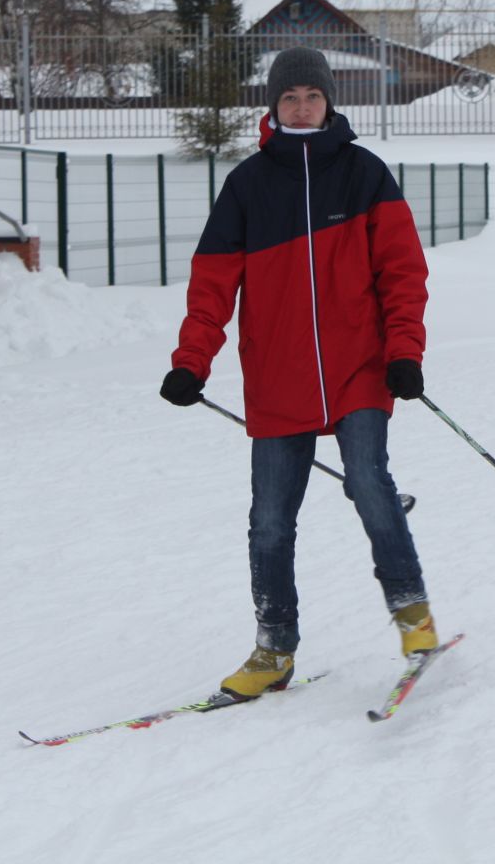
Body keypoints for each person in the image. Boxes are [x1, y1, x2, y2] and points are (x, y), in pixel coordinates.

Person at [161, 46, 437, 697]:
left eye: (312, 96)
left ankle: (414, 617)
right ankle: (272, 650)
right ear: (273, 107)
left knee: (369, 482)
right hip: (279, 379)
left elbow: (403, 275)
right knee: (269, 521)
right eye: (290, 98)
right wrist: (189, 362)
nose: (302, 106)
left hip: (360, 371)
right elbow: (211, 286)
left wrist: (405, 353)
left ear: (329, 101)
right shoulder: (248, 186)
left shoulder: (365, 175)